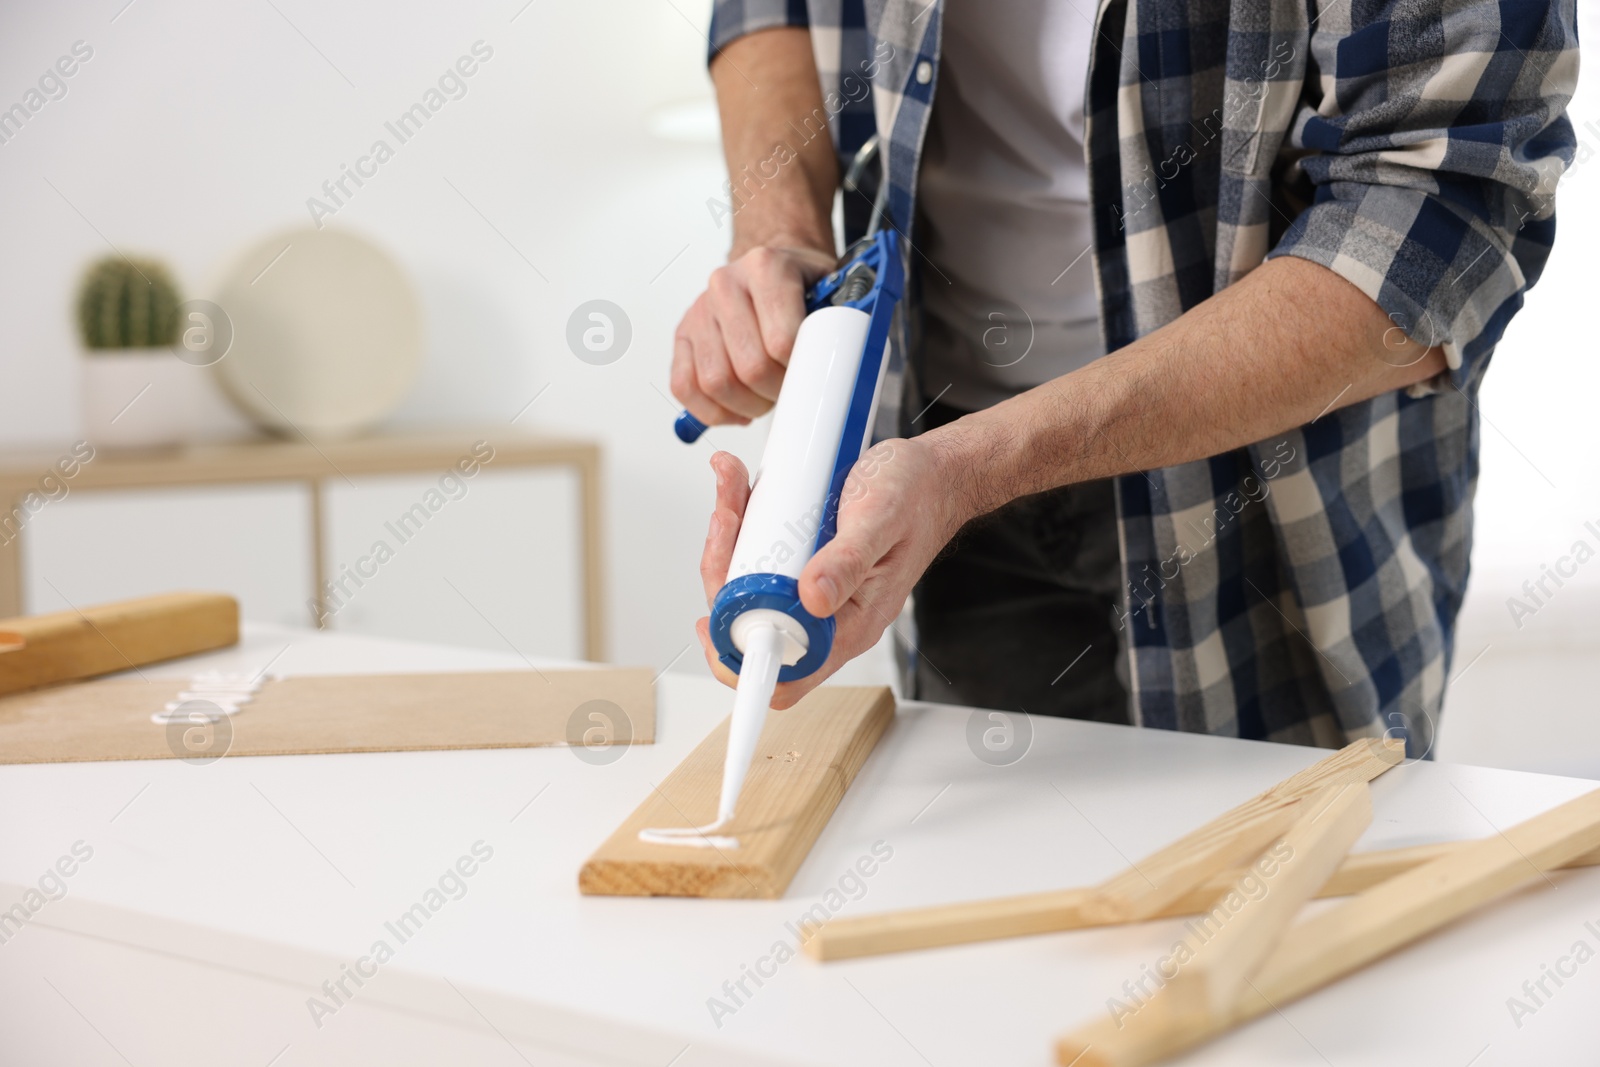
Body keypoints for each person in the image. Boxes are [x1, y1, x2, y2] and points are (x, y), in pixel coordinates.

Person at [671, 1, 1577, 755]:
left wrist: (972, 466)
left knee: (1280, 927)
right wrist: (774, 228)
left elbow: (1436, 216)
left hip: (1275, 519)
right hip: (939, 481)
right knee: (995, 925)